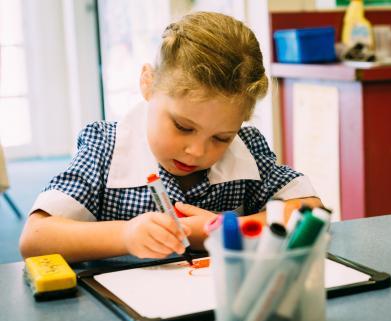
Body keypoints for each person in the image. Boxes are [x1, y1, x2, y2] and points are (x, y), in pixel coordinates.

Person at [19, 12, 322, 262]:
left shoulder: (248, 148)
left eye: (221, 138)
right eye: (182, 126)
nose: (196, 150)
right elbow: (35, 239)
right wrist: (125, 236)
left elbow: (311, 213)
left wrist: (217, 228)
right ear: (148, 84)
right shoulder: (106, 148)